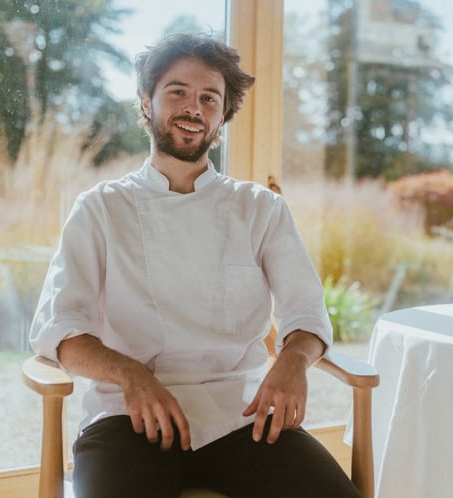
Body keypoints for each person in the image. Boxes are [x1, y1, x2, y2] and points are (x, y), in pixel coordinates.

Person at [29, 32, 360, 498]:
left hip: (242, 417)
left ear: (223, 116)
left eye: (209, 97)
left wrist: (292, 360)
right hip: (130, 417)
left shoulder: (260, 209)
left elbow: (306, 315)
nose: (194, 107)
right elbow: (61, 330)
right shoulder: (100, 209)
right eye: (177, 92)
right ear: (147, 102)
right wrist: (132, 375)